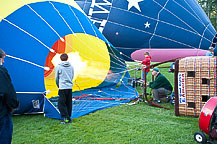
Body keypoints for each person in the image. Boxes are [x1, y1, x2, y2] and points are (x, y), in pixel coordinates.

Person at [0, 49, 19, 143]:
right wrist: (13, 105)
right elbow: (7, 91)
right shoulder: (1, 71)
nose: (3, 62)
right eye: (3, 59)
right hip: (2, 112)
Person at [55, 53, 74, 124]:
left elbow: (56, 78)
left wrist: (59, 85)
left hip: (62, 87)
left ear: (60, 59)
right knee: (68, 103)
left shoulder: (58, 67)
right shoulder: (71, 66)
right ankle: (68, 116)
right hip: (69, 87)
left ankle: (66, 118)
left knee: (61, 104)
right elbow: (72, 75)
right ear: (67, 58)